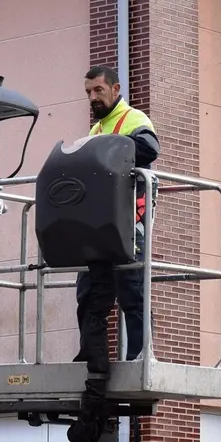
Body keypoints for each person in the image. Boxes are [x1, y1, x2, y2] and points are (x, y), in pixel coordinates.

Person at [73, 64, 160, 378]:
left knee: (131, 287)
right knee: (89, 291)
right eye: (88, 93)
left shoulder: (133, 120)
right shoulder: (95, 131)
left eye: (98, 90)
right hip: (98, 223)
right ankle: (90, 354)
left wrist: (107, 152)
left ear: (116, 89)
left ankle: (139, 353)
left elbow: (149, 149)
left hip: (128, 218)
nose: (93, 98)